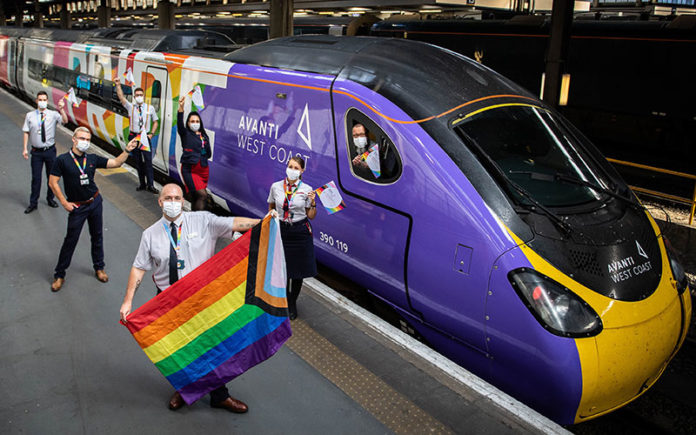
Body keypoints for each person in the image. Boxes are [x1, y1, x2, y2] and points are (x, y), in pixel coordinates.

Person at [119, 183, 274, 413]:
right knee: (180, 350)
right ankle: (185, 391)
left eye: (177, 198)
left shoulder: (204, 221)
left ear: (184, 201)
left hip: (202, 297)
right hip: (168, 300)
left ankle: (220, 396)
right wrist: (128, 300)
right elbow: (139, 268)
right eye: (168, 198)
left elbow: (235, 223)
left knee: (211, 345)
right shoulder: (150, 235)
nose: (173, 202)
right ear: (160, 202)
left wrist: (265, 221)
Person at [48, 127, 138, 292]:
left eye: (87, 139)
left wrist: (127, 150)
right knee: (71, 240)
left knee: (97, 236)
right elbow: (52, 182)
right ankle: (59, 274)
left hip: (95, 202)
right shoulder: (62, 160)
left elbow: (116, 163)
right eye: (82, 138)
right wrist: (64, 203)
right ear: (73, 139)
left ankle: (99, 267)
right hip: (77, 207)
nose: (85, 142)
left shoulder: (92, 158)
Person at [267, 156, 317, 320]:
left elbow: (311, 215)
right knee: (281, 270)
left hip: (300, 231)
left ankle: (292, 302)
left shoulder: (307, 189)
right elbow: (271, 206)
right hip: (281, 230)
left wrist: (313, 203)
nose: (292, 170)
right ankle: (282, 300)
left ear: (302, 171)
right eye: (290, 166)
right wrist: (271, 214)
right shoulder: (276, 187)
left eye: (296, 168)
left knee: (297, 272)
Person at [22, 91, 68, 214]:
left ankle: (50, 199)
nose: (42, 101)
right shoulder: (30, 115)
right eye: (40, 99)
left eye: (44, 99)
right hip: (36, 152)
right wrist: (25, 148)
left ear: (47, 101)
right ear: (37, 101)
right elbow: (26, 132)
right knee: (36, 179)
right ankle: (33, 203)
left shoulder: (53, 114)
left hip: (50, 151)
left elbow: (65, 121)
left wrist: (62, 109)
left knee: (51, 178)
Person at [114, 77, 159, 193]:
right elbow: (121, 98)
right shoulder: (131, 107)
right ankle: (142, 184)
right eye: (137, 95)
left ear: (143, 96)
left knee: (148, 162)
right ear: (134, 97)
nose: (139, 96)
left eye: (141, 94)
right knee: (138, 162)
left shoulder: (150, 108)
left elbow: (156, 122)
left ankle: (151, 185)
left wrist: (151, 134)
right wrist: (118, 85)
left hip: (145, 137)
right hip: (134, 137)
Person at [177, 96, 211, 211]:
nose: (195, 123)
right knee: (203, 195)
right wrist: (181, 108)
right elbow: (180, 124)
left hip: (203, 170)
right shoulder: (185, 134)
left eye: (197, 121)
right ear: (188, 123)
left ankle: (192, 220)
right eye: (192, 121)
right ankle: (197, 221)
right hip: (190, 169)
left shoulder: (204, 135)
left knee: (196, 197)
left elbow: (209, 153)